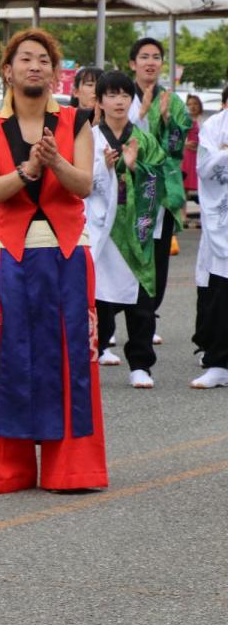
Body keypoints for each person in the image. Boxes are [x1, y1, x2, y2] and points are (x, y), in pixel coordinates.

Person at [0, 27, 107, 495]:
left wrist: (54, 163)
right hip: (11, 254)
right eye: (25, 59)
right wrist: (28, 169)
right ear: (7, 71)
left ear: (55, 73)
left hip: (68, 253)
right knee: (6, 358)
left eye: (44, 60)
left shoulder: (77, 121)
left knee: (73, 357)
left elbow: (83, 184)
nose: (35, 66)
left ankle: (71, 469)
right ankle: (9, 470)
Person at [86, 70, 166, 389]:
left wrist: (135, 167)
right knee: (98, 295)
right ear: (100, 101)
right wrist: (104, 167)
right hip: (101, 229)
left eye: (124, 95)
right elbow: (78, 181)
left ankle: (141, 364)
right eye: (111, 95)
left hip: (135, 229)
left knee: (141, 299)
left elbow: (159, 178)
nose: (118, 101)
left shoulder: (143, 139)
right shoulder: (89, 139)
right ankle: (95, 351)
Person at [128, 37, 191, 340]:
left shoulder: (173, 101)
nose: (150, 62)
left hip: (159, 192)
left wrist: (167, 120)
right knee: (125, 254)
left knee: (157, 257)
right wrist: (140, 114)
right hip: (128, 191)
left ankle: (147, 315)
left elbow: (176, 148)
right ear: (133, 63)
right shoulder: (122, 96)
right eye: (144, 56)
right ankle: (116, 318)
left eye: (156, 57)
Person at [190, 86, 228, 389]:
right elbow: (205, 166)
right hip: (223, 222)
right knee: (221, 295)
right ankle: (219, 363)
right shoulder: (215, 125)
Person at [183, 94, 203, 228]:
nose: (192, 106)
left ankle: (203, 216)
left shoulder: (204, 120)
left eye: (195, 104)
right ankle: (182, 216)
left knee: (202, 186)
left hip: (200, 156)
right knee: (183, 188)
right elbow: (178, 136)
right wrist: (185, 144)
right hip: (187, 155)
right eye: (189, 104)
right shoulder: (184, 120)